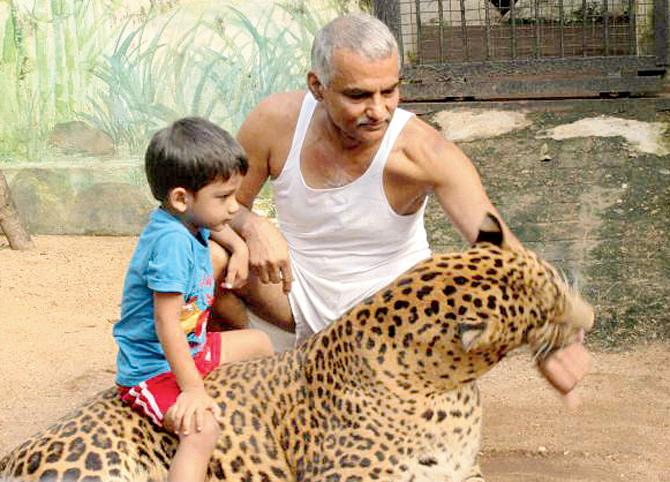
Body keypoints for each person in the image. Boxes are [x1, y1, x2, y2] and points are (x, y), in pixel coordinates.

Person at [219, 13, 590, 399]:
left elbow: (497, 247)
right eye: (358, 95)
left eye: (390, 91)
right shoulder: (274, 121)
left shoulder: (424, 152)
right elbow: (216, 204)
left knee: (467, 288)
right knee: (203, 252)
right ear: (318, 86)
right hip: (290, 298)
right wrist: (254, 226)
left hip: (387, 320)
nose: (378, 110)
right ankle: (212, 386)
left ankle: (387, 390)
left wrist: (551, 331)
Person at [113, 117, 274, 482]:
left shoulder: (189, 219)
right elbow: (166, 322)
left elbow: (217, 225)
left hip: (195, 347)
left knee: (261, 343)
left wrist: (239, 249)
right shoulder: (171, 243)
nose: (234, 207)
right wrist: (193, 390)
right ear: (181, 197)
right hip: (153, 369)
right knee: (202, 431)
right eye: (224, 197)